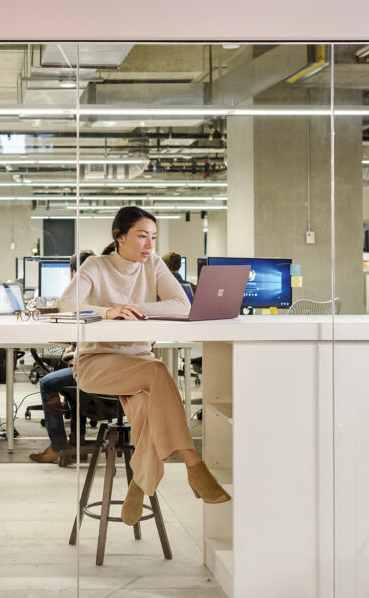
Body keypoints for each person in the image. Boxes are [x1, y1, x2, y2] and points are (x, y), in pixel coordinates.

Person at [57, 205, 230, 525]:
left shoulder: (153, 266)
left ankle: (141, 481)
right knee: (159, 371)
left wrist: (134, 307)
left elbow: (182, 305)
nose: (149, 245)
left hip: (138, 363)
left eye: (153, 237)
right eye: (141, 236)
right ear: (119, 237)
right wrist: (109, 311)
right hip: (96, 363)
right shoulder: (96, 265)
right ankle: (194, 464)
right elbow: (66, 305)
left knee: (151, 413)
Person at [29, 250, 95, 463]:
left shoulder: (80, 299)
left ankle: (57, 446)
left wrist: (76, 352)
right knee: (69, 379)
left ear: (74, 273)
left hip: (93, 366)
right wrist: (74, 349)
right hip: (100, 362)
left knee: (48, 383)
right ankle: (77, 442)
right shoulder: (99, 296)